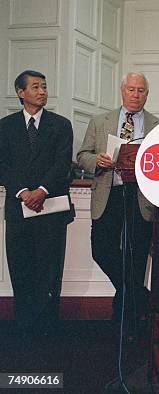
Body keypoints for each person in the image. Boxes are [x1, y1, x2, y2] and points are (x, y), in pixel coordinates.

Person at [77, 72, 159, 337]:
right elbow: (82, 156)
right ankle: (139, 296)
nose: (135, 95)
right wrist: (96, 162)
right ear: (122, 91)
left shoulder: (157, 126)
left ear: (147, 94)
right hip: (108, 193)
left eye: (141, 91)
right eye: (131, 89)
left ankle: (127, 322)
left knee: (137, 257)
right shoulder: (100, 121)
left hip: (140, 195)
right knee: (101, 249)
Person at [0, 70, 73, 338]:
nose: (42, 91)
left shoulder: (61, 125)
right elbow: (3, 165)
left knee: (49, 269)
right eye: (35, 87)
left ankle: (47, 327)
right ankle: (24, 326)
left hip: (50, 208)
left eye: (44, 86)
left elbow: (62, 164)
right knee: (20, 267)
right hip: (18, 209)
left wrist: (41, 191)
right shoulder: (5, 126)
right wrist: (23, 192)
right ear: (21, 93)